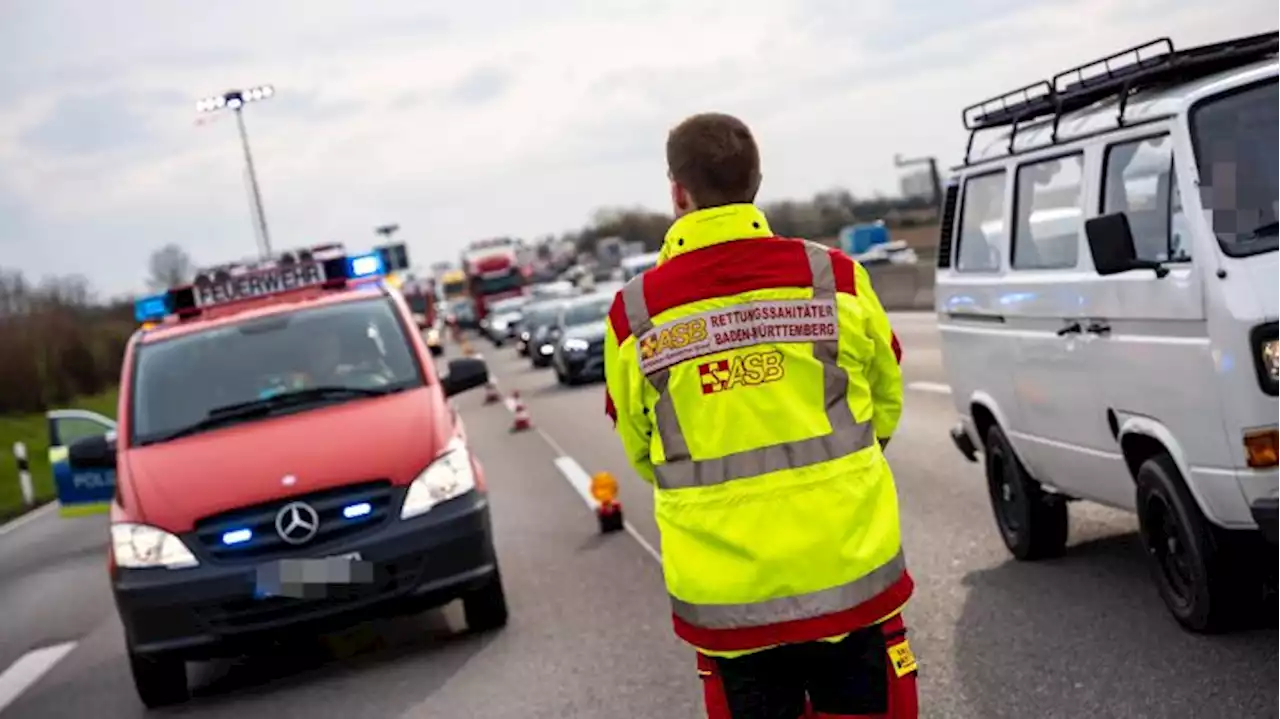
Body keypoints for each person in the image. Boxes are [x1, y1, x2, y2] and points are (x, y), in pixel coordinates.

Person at [602, 112, 915, 718]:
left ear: (677, 191)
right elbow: (886, 401)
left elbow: (643, 451)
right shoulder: (836, 279)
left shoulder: (635, 313)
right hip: (849, 568)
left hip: (729, 598)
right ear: (756, 181)